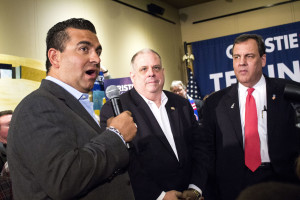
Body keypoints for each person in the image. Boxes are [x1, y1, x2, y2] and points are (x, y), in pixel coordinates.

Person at [7, 18, 137, 200]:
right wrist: (116, 135)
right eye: (84, 49)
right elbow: (63, 179)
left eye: (98, 51)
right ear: (55, 57)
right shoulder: (36, 106)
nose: (96, 59)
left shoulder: (74, 103)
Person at [201, 34, 300, 200]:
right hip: (233, 186)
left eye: (249, 56)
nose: (241, 63)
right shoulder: (215, 103)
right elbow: (208, 152)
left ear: (262, 60)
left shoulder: (289, 92)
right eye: (236, 57)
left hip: (283, 182)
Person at [100, 48, 209, 200]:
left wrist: (196, 188)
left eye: (156, 68)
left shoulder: (182, 104)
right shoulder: (115, 110)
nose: (151, 73)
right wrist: (160, 196)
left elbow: (200, 148)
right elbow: (123, 164)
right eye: (143, 69)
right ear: (132, 76)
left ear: (162, 72)